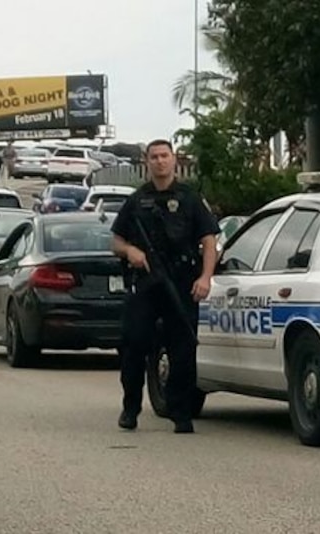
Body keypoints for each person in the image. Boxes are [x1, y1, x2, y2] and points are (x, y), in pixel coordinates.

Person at [110, 139, 219, 434]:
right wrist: (129, 251)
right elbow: (116, 240)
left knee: (183, 348)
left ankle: (180, 413)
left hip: (182, 283)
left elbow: (209, 241)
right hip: (145, 283)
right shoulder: (136, 200)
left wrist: (205, 277)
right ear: (147, 162)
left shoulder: (190, 198)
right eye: (154, 157)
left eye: (164, 156)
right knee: (134, 344)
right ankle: (130, 407)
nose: (160, 161)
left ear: (174, 160)